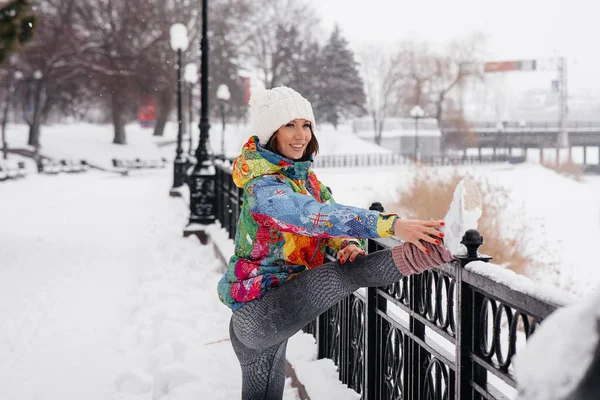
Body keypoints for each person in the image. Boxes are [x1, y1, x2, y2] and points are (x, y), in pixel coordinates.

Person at [217, 86, 482, 399]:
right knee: (348, 274)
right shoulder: (263, 188)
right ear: (271, 132)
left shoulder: (304, 180)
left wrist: (346, 244)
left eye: (306, 125)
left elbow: (330, 221)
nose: (301, 134)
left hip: (272, 313)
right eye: (290, 125)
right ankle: (440, 248)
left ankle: (438, 247)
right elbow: (310, 216)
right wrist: (392, 225)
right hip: (258, 314)